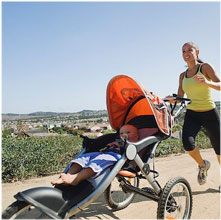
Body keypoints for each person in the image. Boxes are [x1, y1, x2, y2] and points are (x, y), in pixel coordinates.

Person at [167, 41, 220, 187]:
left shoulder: (205, 68)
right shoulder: (182, 76)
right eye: (183, 51)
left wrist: (207, 83)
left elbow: (220, 85)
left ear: (197, 52)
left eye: (189, 50)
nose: (186, 54)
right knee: (187, 144)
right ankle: (203, 165)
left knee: (219, 149)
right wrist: (171, 100)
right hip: (192, 113)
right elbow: (180, 96)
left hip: (209, 112)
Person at [51, 124, 139, 186]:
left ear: (136, 136)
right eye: (121, 133)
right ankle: (69, 175)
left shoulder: (135, 143)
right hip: (105, 153)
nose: (124, 135)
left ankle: (76, 178)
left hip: (119, 158)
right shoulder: (117, 140)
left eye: (128, 132)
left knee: (99, 161)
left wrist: (120, 145)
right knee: (84, 157)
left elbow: (133, 150)